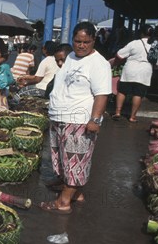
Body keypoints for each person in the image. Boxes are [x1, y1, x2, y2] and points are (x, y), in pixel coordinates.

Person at [41, 22, 112, 214]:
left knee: (76, 161)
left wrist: (95, 120)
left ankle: (63, 202)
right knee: (62, 158)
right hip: (59, 117)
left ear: (93, 40)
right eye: (77, 41)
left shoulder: (99, 64)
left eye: (85, 42)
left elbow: (102, 95)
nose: (81, 45)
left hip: (80, 120)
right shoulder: (71, 56)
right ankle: (76, 193)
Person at [110, 25, 158, 122]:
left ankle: (117, 113)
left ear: (141, 33)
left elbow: (120, 54)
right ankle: (132, 117)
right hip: (145, 72)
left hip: (130, 69)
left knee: (122, 91)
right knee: (138, 94)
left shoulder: (134, 43)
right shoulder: (156, 45)